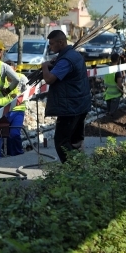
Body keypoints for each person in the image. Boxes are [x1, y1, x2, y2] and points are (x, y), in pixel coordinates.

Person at [41, 29, 91, 163]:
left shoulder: (66, 60)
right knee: (76, 141)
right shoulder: (74, 55)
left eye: (52, 44)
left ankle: (72, 171)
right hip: (80, 105)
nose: (50, 47)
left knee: (62, 142)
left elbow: (50, 79)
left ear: (61, 42)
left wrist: (45, 66)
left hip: (70, 108)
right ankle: (81, 172)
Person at [5, 73, 29, 156]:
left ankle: (18, 152)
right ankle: (9, 153)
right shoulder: (2, 77)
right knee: (3, 134)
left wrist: (18, 97)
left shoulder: (22, 77)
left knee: (14, 133)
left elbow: (28, 92)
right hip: (4, 110)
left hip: (18, 110)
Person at [103, 52, 125, 118]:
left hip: (108, 95)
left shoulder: (107, 70)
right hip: (115, 96)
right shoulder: (117, 72)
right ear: (118, 60)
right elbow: (119, 85)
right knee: (113, 114)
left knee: (108, 113)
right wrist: (122, 91)